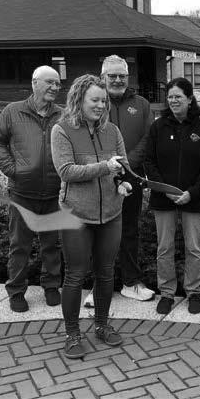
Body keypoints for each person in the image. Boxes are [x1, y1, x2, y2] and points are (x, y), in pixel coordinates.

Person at [51, 74, 131, 359]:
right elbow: (66, 172)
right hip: (76, 214)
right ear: (78, 100)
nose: (100, 105)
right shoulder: (62, 130)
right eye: (94, 100)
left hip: (111, 213)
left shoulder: (112, 131)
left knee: (106, 271)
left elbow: (123, 167)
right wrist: (105, 167)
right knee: (75, 275)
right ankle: (72, 333)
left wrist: (122, 183)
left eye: (103, 100)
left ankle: (101, 324)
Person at [0, 66, 63, 313]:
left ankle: (51, 285)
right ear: (34, 83)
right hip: (21, 193)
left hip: (54, 192)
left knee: (51, 244)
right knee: (19, 245)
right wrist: (12, 169)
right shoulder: (13, 111)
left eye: (58, 84)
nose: (55, 87)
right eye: (50, 82)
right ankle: (17, 290)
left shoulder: (63, 115)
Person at [82, 55, 154, 308]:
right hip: (101, 178)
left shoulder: (141, 104)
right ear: (103, 77)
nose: (117, 80)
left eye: (122, 75)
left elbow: (148, 137)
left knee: (130, 231)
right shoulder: (94, 103)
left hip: (132, 178)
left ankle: (130, 283)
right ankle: (100, 286)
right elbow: (86, 136)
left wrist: (127, 164)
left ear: (128, 77)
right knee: (100, 232)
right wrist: (109, 166)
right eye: (112, 76)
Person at [144, 77, 200, 315]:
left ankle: (193, 292)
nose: (173, 100)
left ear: (190, 99)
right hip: (163, 199)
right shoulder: (158, 127)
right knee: (164, 248)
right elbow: (149, 161)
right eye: (170, 97)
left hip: (192, 199)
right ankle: (166, 293)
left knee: (193, 248)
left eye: (178, 96)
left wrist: (192, 193)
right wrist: (165, 190)